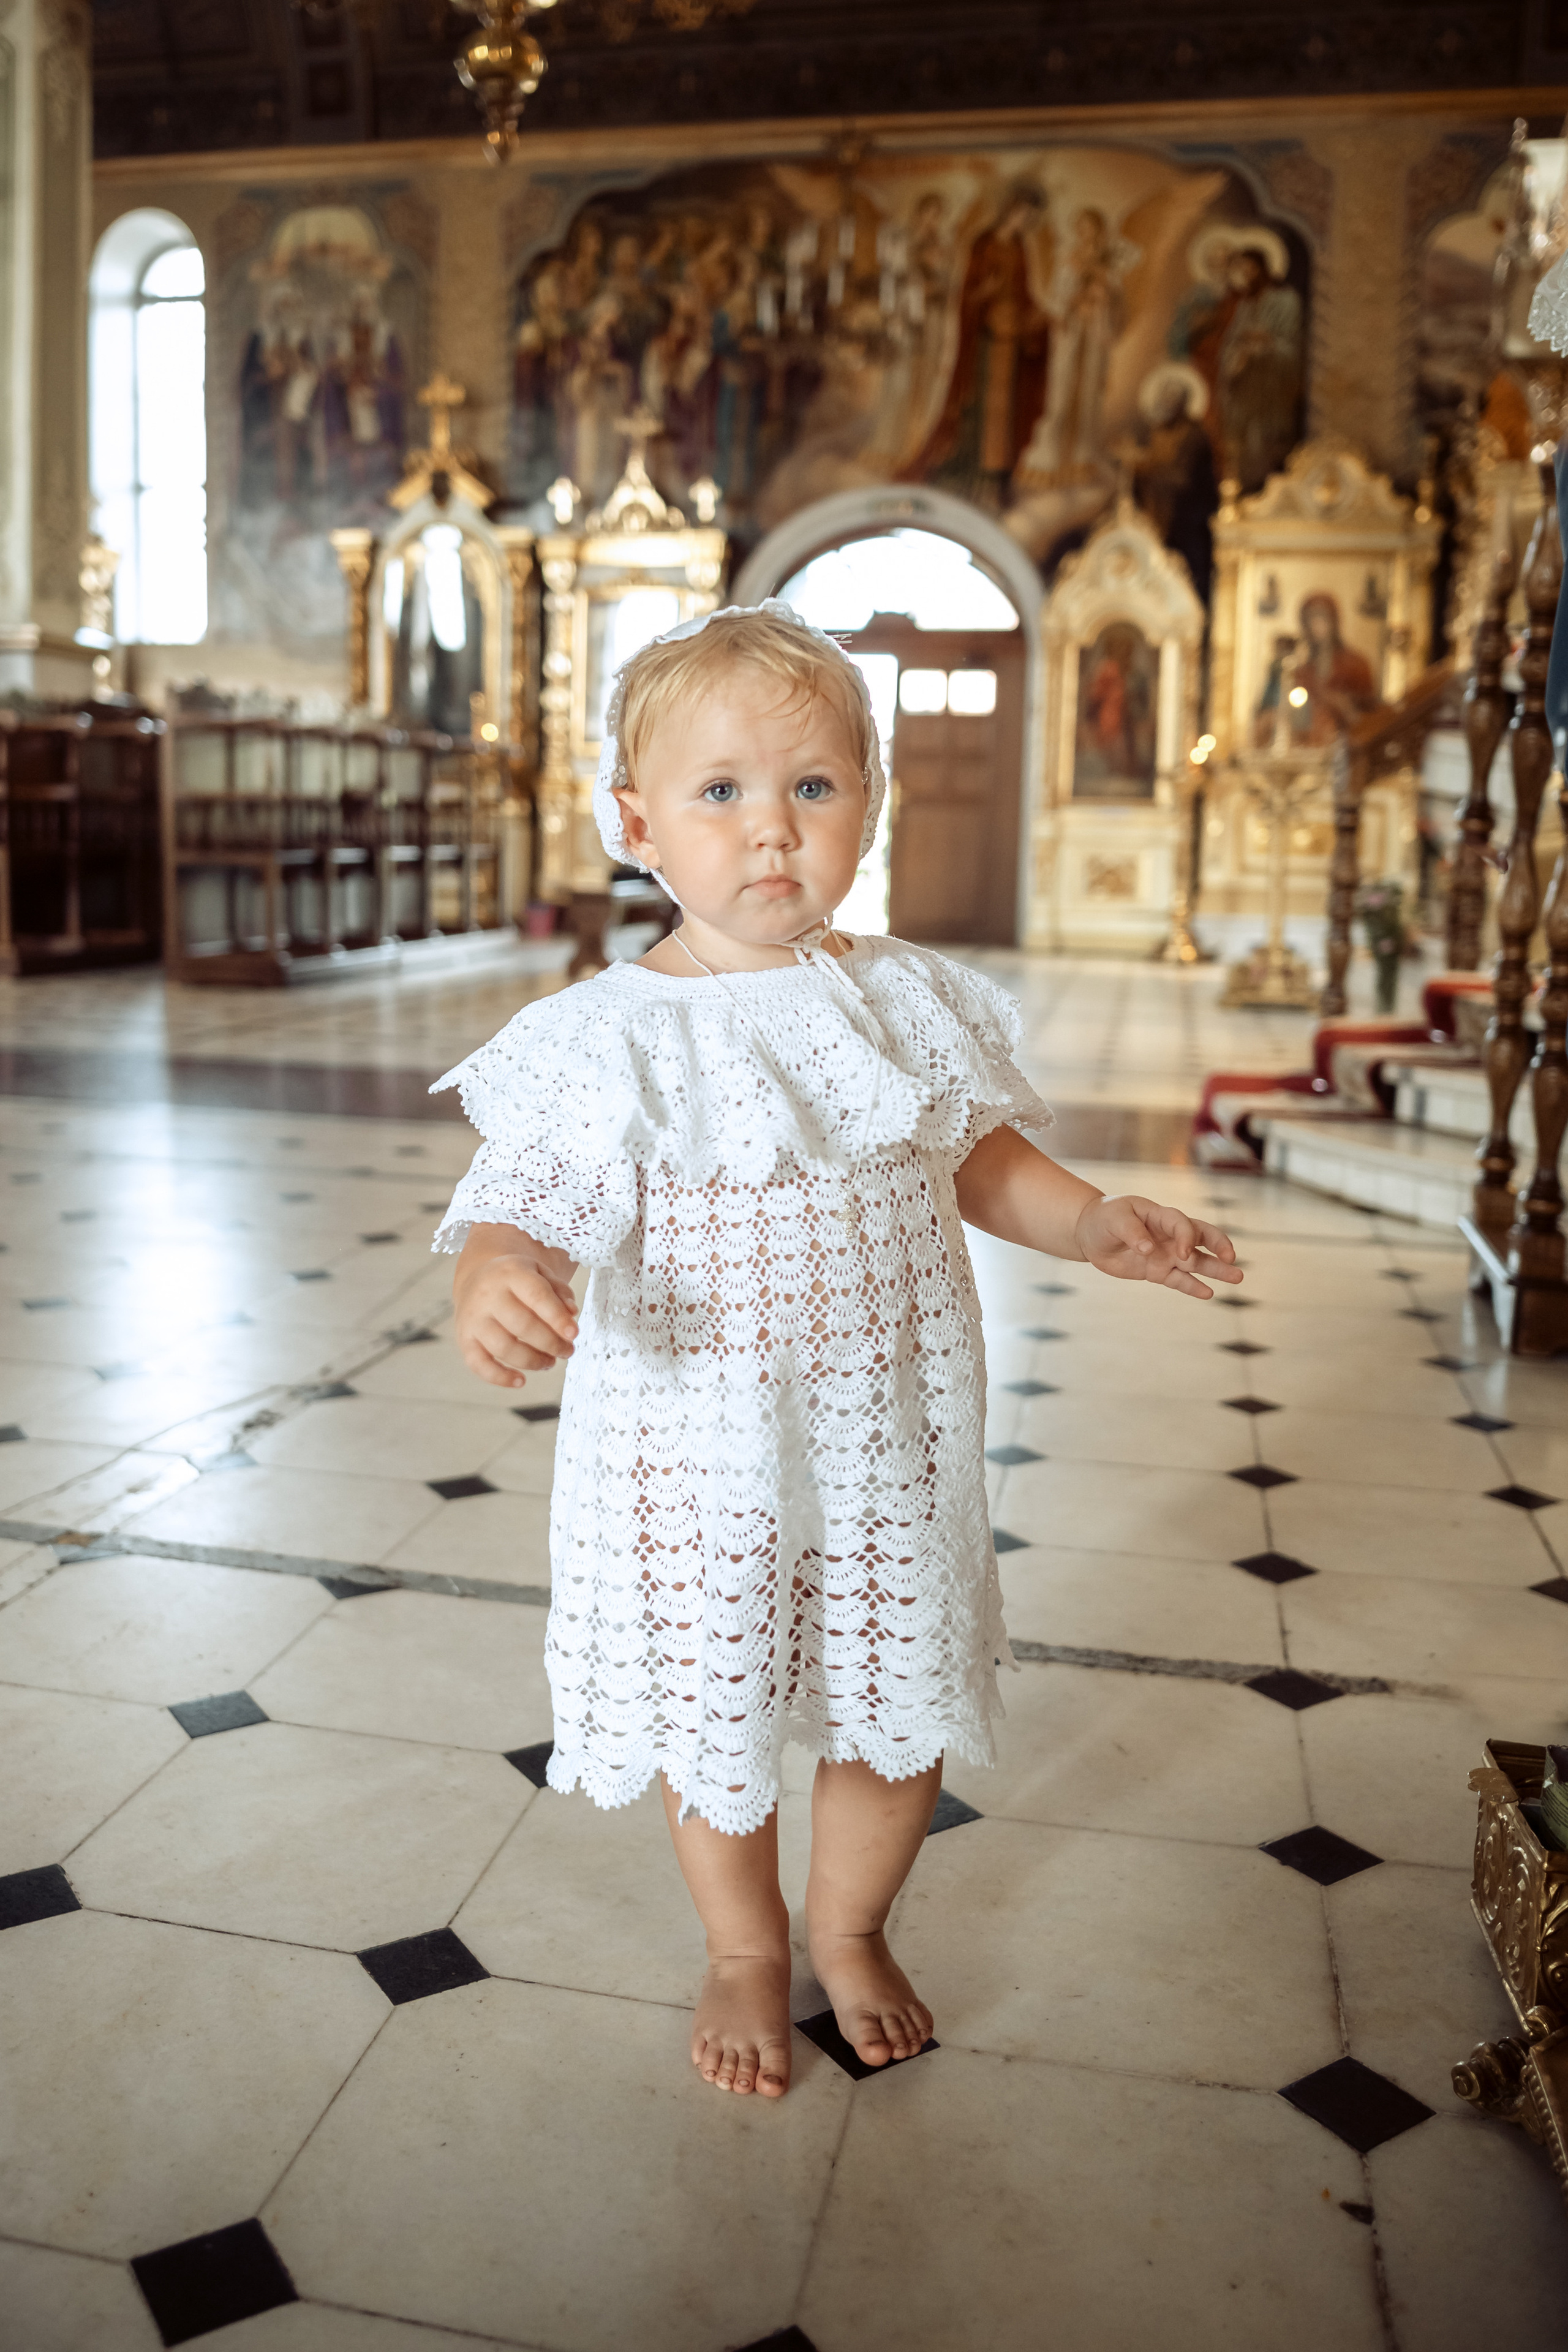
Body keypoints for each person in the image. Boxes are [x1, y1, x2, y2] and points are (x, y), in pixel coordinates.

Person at [434, 603, 1242, 2098]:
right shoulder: (599, 1038)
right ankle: (744, 1948)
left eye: (813, 788)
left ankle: (852, 1924)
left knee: (892, 1685)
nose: (771, 833)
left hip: (890, 1433)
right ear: (635, 824)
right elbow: (523, 1202)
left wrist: (1088, 1225)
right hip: (695, 1451)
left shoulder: (910, 999)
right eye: (720, 792)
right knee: (717, 1694)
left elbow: (972, 1160)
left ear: (870, 806)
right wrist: (498, 1273)